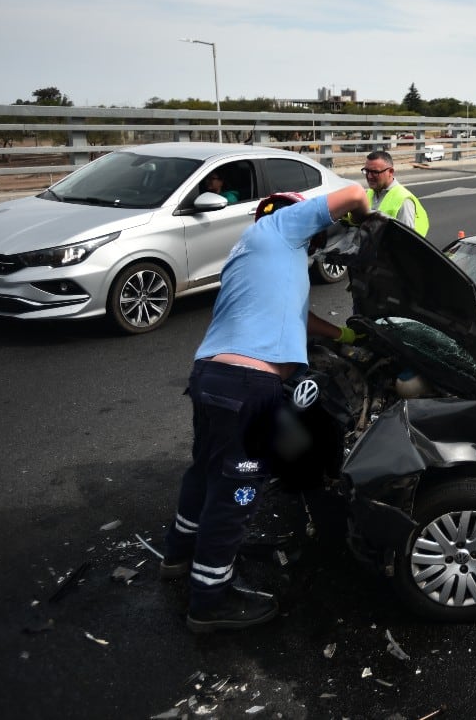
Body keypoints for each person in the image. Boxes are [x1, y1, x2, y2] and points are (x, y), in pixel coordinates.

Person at [161, 183, 371, 633]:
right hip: (248, 386)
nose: (320, 240)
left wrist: (347, 337)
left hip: (213, 376)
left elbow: (300, 318)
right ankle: (209, 602)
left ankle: (178, 555)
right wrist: (366, 221)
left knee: (205, 473)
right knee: (237, 491)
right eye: (319, 231)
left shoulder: (257, 254)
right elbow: (354, 193)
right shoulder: (281, 226)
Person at [361, 150, 429, 235]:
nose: (369, 176)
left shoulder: (404, 201)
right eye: (366, 171)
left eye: (375, 172)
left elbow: (407, 240)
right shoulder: (369, 193)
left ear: (390, 172)